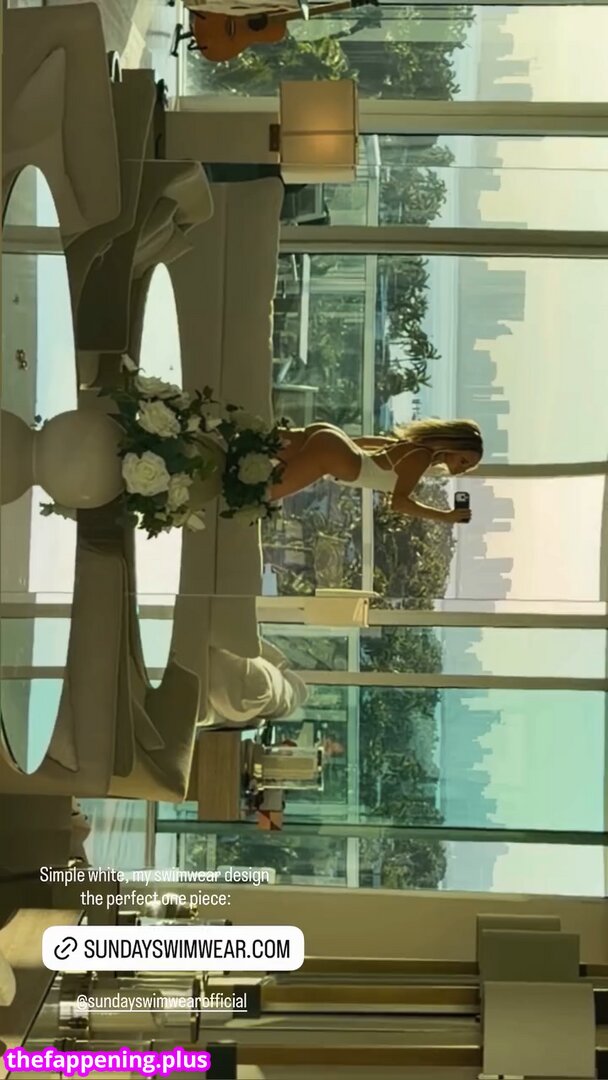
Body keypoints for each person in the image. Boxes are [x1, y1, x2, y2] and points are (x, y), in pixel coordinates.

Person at [271, 418, 483, 523]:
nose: (460, 469)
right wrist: (444, 516)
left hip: (336, 445)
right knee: (263, 493)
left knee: (260, 445)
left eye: (467, 467)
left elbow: (368, 441)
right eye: (463, 461)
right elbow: (399, 503)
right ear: (454, 445)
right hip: (337, 457)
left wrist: (337, 444)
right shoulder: (422, 457)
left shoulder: (416, 445)